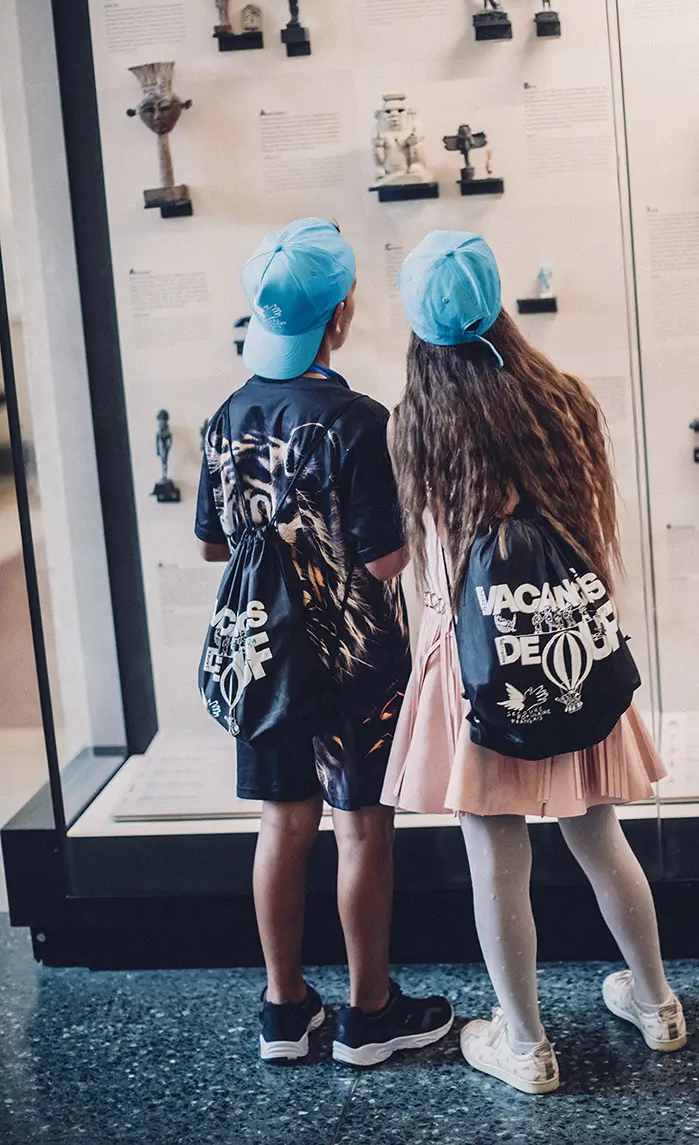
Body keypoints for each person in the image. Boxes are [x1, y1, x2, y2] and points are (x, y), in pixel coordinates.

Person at [382, 229, 685, 1095]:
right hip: (568, 653)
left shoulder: (416, 426)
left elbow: (434, 569)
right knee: (598, 836)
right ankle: (657, 1003)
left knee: (496, 858)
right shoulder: (565, 399)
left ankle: (525, 1043)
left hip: (476, 670)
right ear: (498, 304)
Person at [195, 218, 452, 1067]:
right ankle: (370, 1013)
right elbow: (382, 561)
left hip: (265, 660)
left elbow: (212, 542)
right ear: (340, 314)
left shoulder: (227, 415)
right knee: (363, 828)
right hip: (354, 663)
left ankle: (283, 1009)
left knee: (282, 823)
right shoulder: (356, 421)